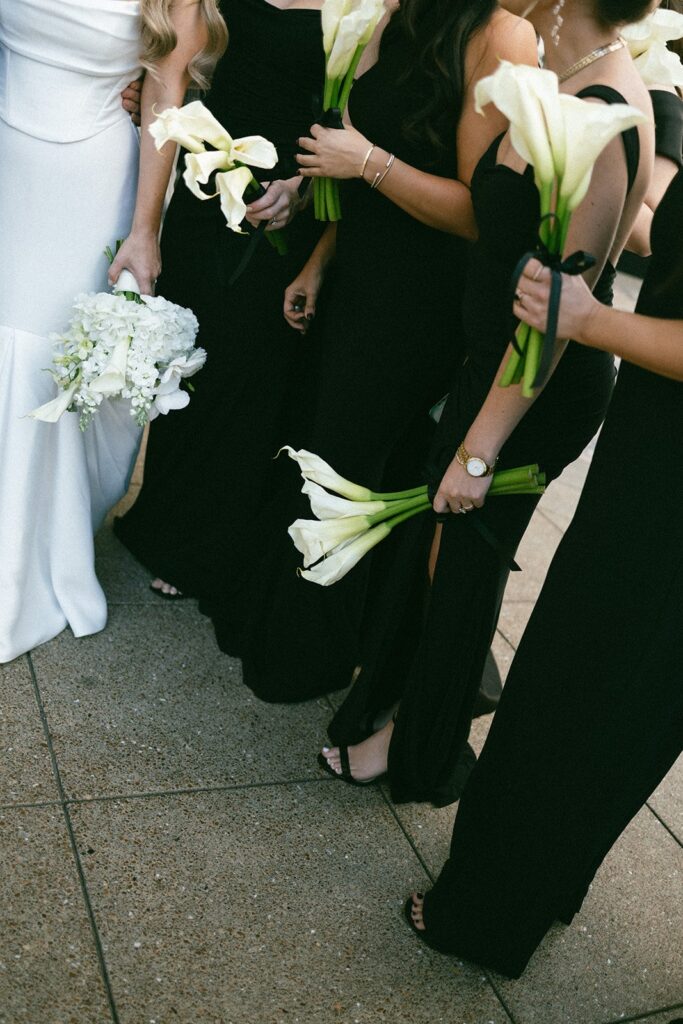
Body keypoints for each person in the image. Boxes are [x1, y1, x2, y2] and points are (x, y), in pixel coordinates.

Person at [320, 0, 656, 804]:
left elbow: (555, 316)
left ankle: (418, 753)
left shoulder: (606, 113)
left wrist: (479, 449)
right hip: (487, 366)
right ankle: (406, 713)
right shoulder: (561, 73)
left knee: (460, 566)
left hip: (530, 389)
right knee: (442, 555)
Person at [406, 147, 683, 978]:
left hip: (665, 490)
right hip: (653, 449)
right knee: (627, 699)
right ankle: (539, 884)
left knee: (582, 688)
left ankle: (486, 915)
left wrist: (590, 321)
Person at [233, 0, 540, 700]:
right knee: (310, 452)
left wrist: (367, 162)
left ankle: (314, 658)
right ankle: (279, 628)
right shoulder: (398, 16)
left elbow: (478, 215)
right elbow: (348, 156)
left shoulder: (500, 36)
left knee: (347, 469)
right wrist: (318, 261)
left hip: (417, 304)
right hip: (356, 276)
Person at [0, 0, 224, 663]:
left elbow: (164, 102)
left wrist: (145, 228)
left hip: (89, 179)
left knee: (46, 360)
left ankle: (24, 553)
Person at [112, 0, 328, 603]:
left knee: (249, 375)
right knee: (190, 364)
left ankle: (205, 544)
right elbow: (168, 83)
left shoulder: (361, 9)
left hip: (290, 201)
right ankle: (163, 519)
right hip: (206, 194)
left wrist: (306, 187)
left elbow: (356, 114)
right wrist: (146, 226)